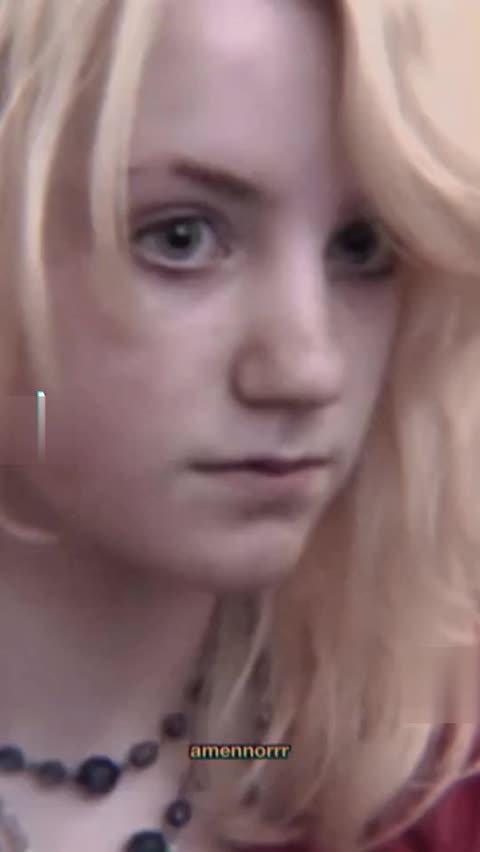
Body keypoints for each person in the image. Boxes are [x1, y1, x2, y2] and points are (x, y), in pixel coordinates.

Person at [0, 1, 479, 851]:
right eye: (181, 237)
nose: (308, 370)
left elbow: (232, 761)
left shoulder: (374, 777)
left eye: (363, 248)